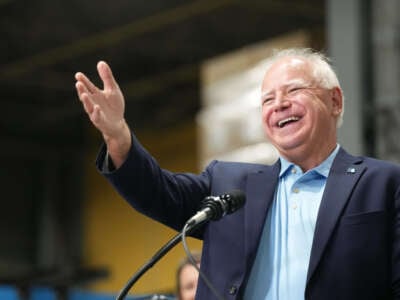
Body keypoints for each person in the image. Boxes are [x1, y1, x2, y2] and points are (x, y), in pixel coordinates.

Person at [75, 48, 400, 299]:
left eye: (294, 91)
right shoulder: (228, 186)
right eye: (268, 99)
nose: (279, 104)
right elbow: (158, 191)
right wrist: (118, 135)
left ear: (335, 101)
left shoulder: (383, 184)